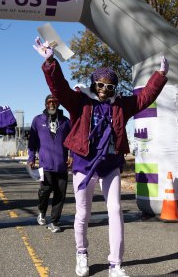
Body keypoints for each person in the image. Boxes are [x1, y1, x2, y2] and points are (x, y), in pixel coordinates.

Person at [33, 37, 169, 277]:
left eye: (110, 87)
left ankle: (115, 264)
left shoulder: (121, 105)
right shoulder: (80, 102)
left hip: (110, 165)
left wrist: (160, 75)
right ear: (93, 83)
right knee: (83, 213)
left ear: (115, 89)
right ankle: (82, 254)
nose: (104, 90)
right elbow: (59, 89)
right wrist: (50, 62)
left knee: (115, 210)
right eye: (100, 85)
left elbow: (144, 97)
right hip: (84, 165)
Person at [27, 94, 72, 233]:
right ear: (45, 104)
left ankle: (54, 222)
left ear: (58, 104)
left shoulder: (66, 122)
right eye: (49, 102)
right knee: (45, 191)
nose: (51, 104)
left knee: (60, 194)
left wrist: (72, 155)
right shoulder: (37, 120)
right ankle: (42, 211)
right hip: (44, 165)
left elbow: (72, 141)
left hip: (61, 165)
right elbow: (32, 142)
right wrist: (31, 158)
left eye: (54, 102)